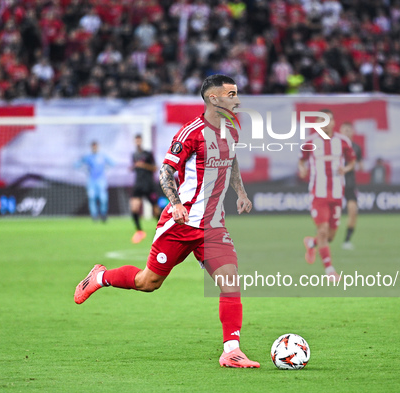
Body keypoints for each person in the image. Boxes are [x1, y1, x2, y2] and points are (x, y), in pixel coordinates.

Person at [74, 74, 260, 367]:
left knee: (230, 283)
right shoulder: (191, 132)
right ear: (214, 99)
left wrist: (241, 192)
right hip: (182, 224)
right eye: (231, 94)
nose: (237, 100)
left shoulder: (232, 131)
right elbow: (165, 172)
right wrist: (175, 204)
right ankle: (101, 277)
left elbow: (231, 160)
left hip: (213, 227)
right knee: (148, 282)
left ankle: (232, 350)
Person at [299, 109, 356, 282]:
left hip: (337, 193)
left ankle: (311, 243)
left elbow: (352, 161)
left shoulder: (343, 141)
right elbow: (301, 159)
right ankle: (330, 270)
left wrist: (345, 169)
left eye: (328, 120)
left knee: (330, 236)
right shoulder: (310, 142)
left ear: (333, 123)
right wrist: (302, 169)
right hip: (318, 193)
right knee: (322, 231)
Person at [130, 134, 161, 244]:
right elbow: (135, 166)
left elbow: (155, 167)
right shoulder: (134, 155)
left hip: (149, 185)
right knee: (134, 207)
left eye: (139, 140)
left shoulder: (148, 154)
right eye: (136, 141)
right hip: (138, 185)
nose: (137, 142)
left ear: (141, 141)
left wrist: (143, 166)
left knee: (156, 209)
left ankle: (161, 230)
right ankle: (139, 231)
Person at [75, 141, 113, 222]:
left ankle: (103, 214)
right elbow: (77, 165)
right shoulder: (88, 157)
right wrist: (84, 170)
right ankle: (94, 216)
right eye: (93, 146)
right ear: (91, 147)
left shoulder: (102, 156)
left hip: (101, 180)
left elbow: (113, 163)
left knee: (103, 198)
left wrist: (106, 170)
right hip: (91, 180)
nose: (94, 148)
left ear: (98, 147)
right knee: (92, 198)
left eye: (96, 146)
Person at [339, 122, 363, 250]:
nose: (347, 132)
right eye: (345, 130)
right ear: (340, 132)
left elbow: (360, 163)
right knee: (332, 215)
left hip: (349, 184)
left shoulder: (357, 148)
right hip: (336, 184)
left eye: (349, 130)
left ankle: (347, 240)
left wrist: (359, 164)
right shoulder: (335, 146)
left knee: (353, 211)